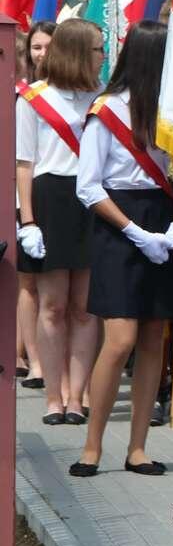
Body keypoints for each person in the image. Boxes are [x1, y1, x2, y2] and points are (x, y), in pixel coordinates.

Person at [68, 21, 173, 477]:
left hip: (163, 218)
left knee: (153, 338)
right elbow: (88, 186)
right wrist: (136, 233)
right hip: (118, 224)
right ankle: (92, 445)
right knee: (120, 339)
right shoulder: (106, 111)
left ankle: (138, 447)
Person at [16, 18, 103, 426]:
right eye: (97, 49)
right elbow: (24, 164)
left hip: (91, 199)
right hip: (50, 199)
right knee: (52, 305)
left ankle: (77, 397)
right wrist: (28, 221)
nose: (102, 56)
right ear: (77, 51)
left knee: (84, 308)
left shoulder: (101, 98)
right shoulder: (33, 99)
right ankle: (54, 396)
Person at [16, 20, 56, 391]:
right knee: (28, 285)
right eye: (36, 47)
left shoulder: (75, 94)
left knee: (61, 294)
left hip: (58, 199)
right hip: (24, 198)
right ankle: (36, 362)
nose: (42, 54)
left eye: (48, 46)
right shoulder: (25, 96)